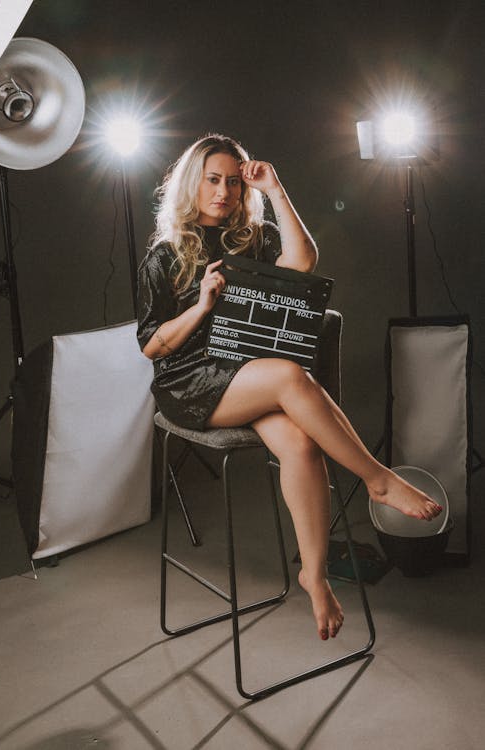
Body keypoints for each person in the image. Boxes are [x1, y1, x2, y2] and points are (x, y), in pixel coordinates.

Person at [137, 133, 442, 642]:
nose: (224, 192)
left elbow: (303, 263)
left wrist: (275, 189)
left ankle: (314, 576)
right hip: (189, 381)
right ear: (193, 182)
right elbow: (152, 347)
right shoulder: (166, 254)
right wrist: (201, 305)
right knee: (288, 375)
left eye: (233, 183)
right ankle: (377, 479)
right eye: (213, 180)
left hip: (246, 374)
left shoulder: (249, 239)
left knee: (302, 443)